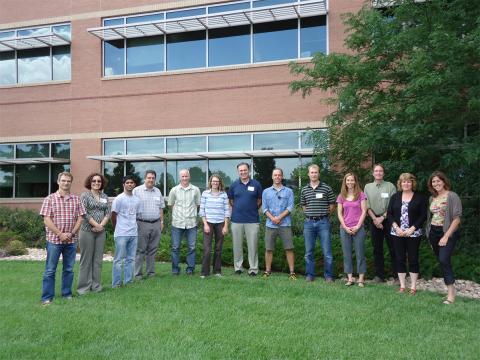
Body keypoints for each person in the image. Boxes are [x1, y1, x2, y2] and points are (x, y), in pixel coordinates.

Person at [40, 172, 86, 305]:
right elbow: (46, 219)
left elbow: (80, 217)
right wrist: (60, 234)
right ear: (58, 182)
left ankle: (66, 294)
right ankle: (47, 297)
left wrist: (71, 233)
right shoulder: (50, 199)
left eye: (68, 181)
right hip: (54, 241)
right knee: (50, 270)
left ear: (71, 183)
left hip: (71, 241)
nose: (66, 183)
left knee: (69, 269)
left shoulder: (76, 199)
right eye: (63, 181)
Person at [387, 173, 427, 295]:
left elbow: (423, 215)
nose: (406, 183)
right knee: (400, 259)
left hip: (413, 233)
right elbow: (389, 214)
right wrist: (396, 227)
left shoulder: (420, 197)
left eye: (409, 181)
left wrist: (412, 228)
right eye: (404, 181)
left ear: (412, 183)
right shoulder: (395, 197)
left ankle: (413, 287)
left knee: (413, 259)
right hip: (397, 233)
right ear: (400, 183)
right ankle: (403, 286)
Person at [426, 171, 462, 304]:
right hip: (434, 233)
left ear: (444, 181)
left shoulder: (452, 196)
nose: (436, 183)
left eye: (438, 181)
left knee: (443, 259)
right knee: (443, 261)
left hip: (447, 232)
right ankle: (451, 291)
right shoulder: (432, 198)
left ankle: (451, 294)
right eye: (433, 182)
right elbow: (431, 217)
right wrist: (429, 234)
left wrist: (446, 236)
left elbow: (457, 219)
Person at [300, 164, 336, 282]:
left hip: (323, 223)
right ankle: (310, 275)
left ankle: (329, 276)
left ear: (319, 174)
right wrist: (311, 214)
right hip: (309, 223)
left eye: (316, 172)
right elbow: (303, 205)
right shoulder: (304, 189)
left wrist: (323, 215)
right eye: (312, 172)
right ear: (308, 174)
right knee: (309, 252)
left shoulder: (326, 188)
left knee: (327, 252)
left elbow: (332, 205)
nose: (314, 174)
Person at [77, 173, 110, 295]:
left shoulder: (104, 196)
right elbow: (84, 213)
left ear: (102, 183)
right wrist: (96, 225)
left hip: (100, 232)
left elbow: (108, 212)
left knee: (97, 260)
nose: (97, 183)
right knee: (86, 260)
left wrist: (101, 226)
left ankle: (96, 286)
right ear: (90, 183)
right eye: (94, 181)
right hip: (87, 231)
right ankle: (83, 288)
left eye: (99, 181)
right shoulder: (85, 195)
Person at [228, 162, 263, 276]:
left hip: (252, 220)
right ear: (238, 172)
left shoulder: (256, 184)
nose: (243, 172)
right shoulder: (234, 185)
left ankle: (253, 269)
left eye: (245, 170)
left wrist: (251, 208)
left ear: (249, 171)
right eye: (240, 170)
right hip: (236, 220)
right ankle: (238, 267)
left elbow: (259, 200)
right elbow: (231, 201)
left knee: (253, 246)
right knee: (237, 246)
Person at [364, 164, 397, 282]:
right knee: (377, 249)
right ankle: (379, 276)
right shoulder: (367, 187)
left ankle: (397, 275)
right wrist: (375, 219)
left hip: (389, 220)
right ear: (373, 173)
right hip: (374, 220)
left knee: (393, 248)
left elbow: (394, 205)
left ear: (383, 173)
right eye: (376, 171)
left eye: (380, 171)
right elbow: (366, 205)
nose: (378, 173)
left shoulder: (390, 186)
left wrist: (382, 218)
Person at [262, 168, 296, 280]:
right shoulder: (266, 192)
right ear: (272, 177)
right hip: (270, 224)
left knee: (289, 248)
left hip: (285, 224)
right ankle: (267, 271)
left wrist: (279, 217)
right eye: (275, 175)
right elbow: (264, 208)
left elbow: (290, 207)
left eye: (279, 175)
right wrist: (273, 218)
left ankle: (292, 273)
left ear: (282, 177)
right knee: (268, 249)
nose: (277, 177)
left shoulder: (289, 191)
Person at [133, 170, 165, 279]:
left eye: (153, 178)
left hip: (156, 224)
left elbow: (161, 208)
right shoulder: (137, 191)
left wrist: (161, 222)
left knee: (152, 250)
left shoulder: (158, 191)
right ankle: (137, 274)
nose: (151, 180)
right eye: (149, 178)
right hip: (142, 224)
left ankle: (151, 273)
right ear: (145, 178)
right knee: (140, 250)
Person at [337, 173, 367, 287]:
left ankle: (360, 279)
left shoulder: (361, 195)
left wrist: (358, 226)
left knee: (360, 254)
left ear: (355, 181)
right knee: (347, 254)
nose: (350, 182)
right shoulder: (341, 196)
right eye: (347, 180)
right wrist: (345, 227)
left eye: (352, 180)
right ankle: (349, 278)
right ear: (345, 182)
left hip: (358, 228)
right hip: (344, 229)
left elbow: (364, 211)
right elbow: (339, 213)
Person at [168, 169, 201, 275]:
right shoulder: (174, 190)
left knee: (192, 247)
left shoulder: (195, 190)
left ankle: (190, 269)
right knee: (175, 247)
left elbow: (198, 204)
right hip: (177, 223)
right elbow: (171, 204)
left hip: (191, 223)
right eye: (182, 176)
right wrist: (177, 215)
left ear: (189, 177)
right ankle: (175, 269)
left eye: (186, 176)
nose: (185, 178)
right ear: (180, 177)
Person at [111, 175, 141, 288]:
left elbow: (137, 215)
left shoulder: (137, 200)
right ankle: (116, 284)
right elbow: (113, 215)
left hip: (133, 233)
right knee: (118, 260)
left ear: (134, 185)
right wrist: (116, 228)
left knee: (131, 259)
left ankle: (128, 281)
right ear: (123, 184)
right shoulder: (119, 199)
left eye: (132, 183)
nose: (130, 184)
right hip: (121, 233)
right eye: (127, 182)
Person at [199, 174, 230, 277]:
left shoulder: (224, 195)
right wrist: (205, 224)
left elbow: (227, 211)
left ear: (220, 182)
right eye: (213, 181)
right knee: (207, 249)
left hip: (220, 223)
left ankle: (217, 271)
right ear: (210, 182)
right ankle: (204, 272)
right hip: (208, 223)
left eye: (217, 181)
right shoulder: (205, 193)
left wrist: (226, 226)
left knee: (218, 248)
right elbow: (202, 210)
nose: (215, 183)